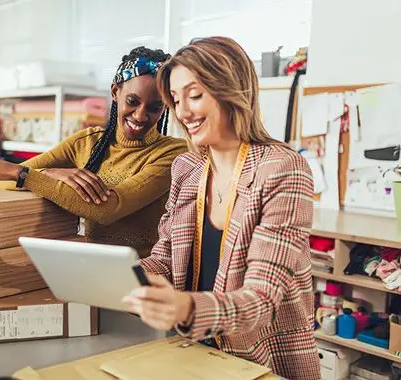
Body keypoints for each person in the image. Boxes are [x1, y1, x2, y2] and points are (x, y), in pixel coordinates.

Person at [122, 37, 320, 380]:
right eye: (177, 100)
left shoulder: (282, 169)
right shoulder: (187, 168)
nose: (183, 112)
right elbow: (165, 259)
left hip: (261, 361)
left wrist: (184, 307)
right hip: (193, 354)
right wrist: (125, 274)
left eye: (195, 95)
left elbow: (261, 300)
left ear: (231, 90)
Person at [0, 47, 187, 258]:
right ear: (115, 92)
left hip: (142, 276)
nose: (140, 116)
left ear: (165, 107)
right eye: (132, 101)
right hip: (87, 268)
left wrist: (25, 174)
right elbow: (2, 182)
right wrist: (50, 173)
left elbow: (108, 209)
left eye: (154, 107)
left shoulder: (173, 153)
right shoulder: (87, 142)